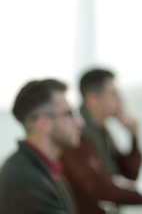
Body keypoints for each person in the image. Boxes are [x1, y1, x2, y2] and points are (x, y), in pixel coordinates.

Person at [62, 68, 142, 214]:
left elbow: (130, 173)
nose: (120, 100)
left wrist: (134, 136)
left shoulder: (102, 130)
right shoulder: (79, 135)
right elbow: (101, 189)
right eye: (113, 94)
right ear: (92, 100)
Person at [0, 79, 82, 214]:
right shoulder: (24, 180)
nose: (79, 122)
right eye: (70, 114)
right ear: (43, 123)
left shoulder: (45, 168)